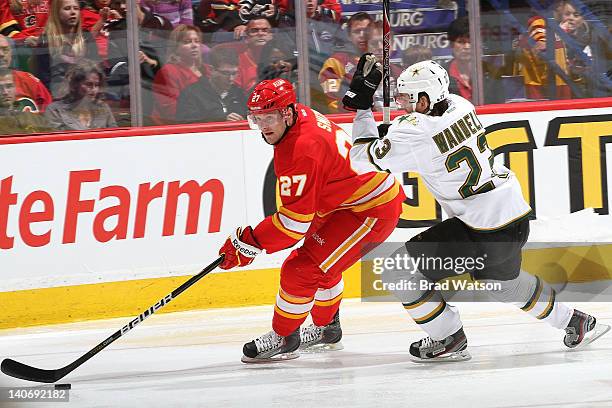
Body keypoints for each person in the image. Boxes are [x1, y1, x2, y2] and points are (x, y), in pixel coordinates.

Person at [343, 55, 610, 362]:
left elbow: (360, 158)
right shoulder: (460, 105)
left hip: (482, 228)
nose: (402, 103)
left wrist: (363, 109)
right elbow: (418, 133)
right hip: (514, 217)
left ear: (426, 99)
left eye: (407, 98)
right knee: (504, 286)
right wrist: (394, 132)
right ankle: (575, 321)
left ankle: (447, 337)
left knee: (397, 271)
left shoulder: (413, 131)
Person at [217, 78, 406, 362]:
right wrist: (250, 243)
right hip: (340, 200)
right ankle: (326, 329)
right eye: (257, 118)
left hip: (370, 209)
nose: (264, 126)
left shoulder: (302, 149)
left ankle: (284, 337)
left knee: (301, 269)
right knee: (322, 264)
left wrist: (249, 243)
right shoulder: (299, 117)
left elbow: (293, 225)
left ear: (287, 113)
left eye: (270, 117)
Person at [31, 0, 99, 97]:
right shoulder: (45, 41)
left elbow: (95, 71)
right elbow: (43, 78)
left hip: (86, 95)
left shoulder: (87, 37)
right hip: (57, 97)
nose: (73, 12)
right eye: (67, 8)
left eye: (76, 8)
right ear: (56, 12)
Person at [150, 24, 204, 124]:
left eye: (197, 41)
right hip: (173, 130)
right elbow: (171, 111)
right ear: (176, 47)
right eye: (187, 42)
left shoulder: (207, 70)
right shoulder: (168, 72)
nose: (194, 45)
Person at [176, 47, 246, 123]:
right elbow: (187, 125)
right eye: (225, 73)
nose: (231, 79)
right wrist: (221, 120)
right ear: (211, 70)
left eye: (234, 73)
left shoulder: (239, 93)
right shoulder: (191, 94)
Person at [318, 12, 371, 113]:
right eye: (357, 31)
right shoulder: (336, 62)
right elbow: (333, 103)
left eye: (366, 31)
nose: (362, 35)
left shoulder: (383, 60)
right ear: (349, 36)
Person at [45, 60, 116, 130]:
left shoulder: (103, 108)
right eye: (89, 84)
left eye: (97, 85)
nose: (94, 89)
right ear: (74, 85)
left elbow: (115, 135)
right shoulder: (55, 110)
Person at [0, 34, 52, 112]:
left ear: (11, 54)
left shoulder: (28, 80)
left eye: (5, 49)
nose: (1, 54)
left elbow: (50, 111)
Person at [0, 69, 52, 134]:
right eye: (0, 88)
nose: (5, 92)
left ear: (15, 88)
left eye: (9, 86)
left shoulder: (32, 117)